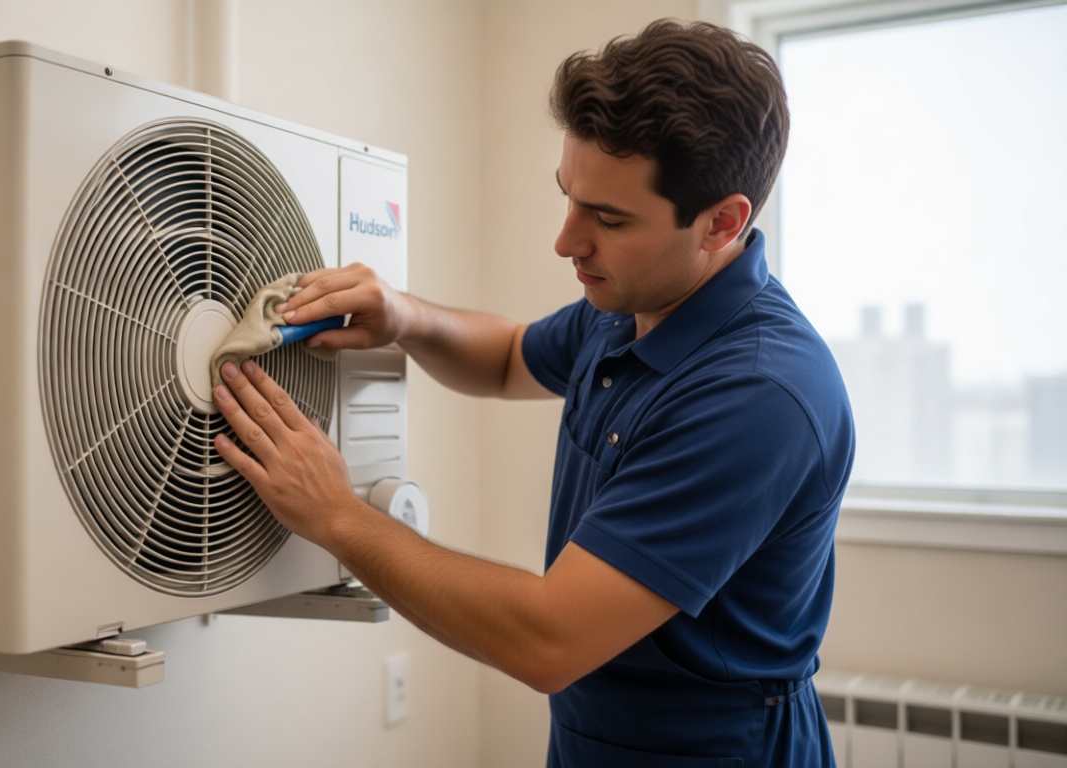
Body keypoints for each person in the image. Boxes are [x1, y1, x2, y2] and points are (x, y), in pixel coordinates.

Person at [212, 18, 854, 767]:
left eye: (608, 219)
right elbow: (511, 358)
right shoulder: (636, 306)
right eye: (569, 197)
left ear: (722, 223)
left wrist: (339, 517)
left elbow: (549, 639)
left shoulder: (757, 396)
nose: (566, 240)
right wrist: (403, 315)